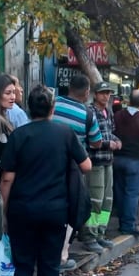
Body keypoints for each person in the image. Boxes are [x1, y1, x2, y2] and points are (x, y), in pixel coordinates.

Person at [0, 85, 92, 276]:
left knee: (23, 268)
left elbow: (7, 178)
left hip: (22, 211)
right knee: (50, 269)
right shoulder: (65, 133)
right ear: (52, 109)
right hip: (55, 211)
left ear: (29, 108)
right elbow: (86, 166)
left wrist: (3, 213)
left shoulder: (19, 135)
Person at [53, 74, 103, 261]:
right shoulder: (87, 114)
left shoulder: (53, 104)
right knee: (72, 210)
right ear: (87, 92)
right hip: (73, 169)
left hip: (46, 165)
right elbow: (97, 142)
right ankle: (63, 253)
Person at [79, 81, 121, 252]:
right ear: (95, 94)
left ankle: (100, 233)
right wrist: (107, 144)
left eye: (108, 93)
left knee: (106, 201)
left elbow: (110, 132)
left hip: (108, 162)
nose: (106, 96)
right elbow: (90, 139)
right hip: (95, 161)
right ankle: (89, 235)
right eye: (103, 93)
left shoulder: (108, 112)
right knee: (95, 200)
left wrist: (116, 141)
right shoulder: (89, 112)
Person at [113, 90, 139, 236]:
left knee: (119, 192)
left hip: (116, 159)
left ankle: (121, 223)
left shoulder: (117, 116)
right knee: (132, 194)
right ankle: (128, 225)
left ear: (128, 100)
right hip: (135, 161)